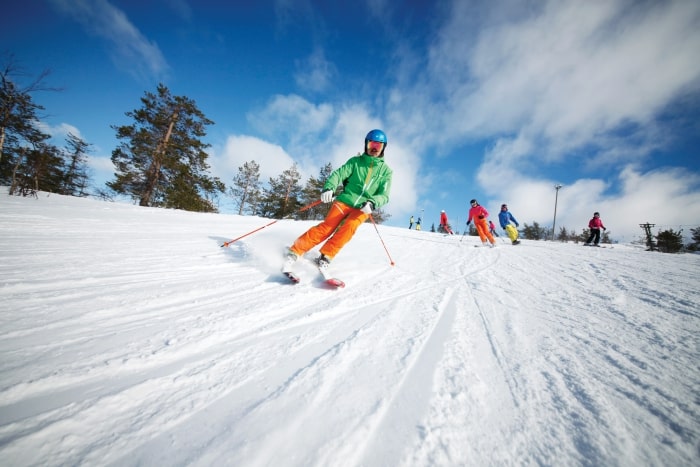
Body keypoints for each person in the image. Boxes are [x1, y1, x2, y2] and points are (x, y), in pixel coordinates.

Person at [283, 129, 393, 273]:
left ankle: (326, 256)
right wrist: (329, 187)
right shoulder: (355, 162)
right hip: (345, 200)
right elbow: (339, 174)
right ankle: (295, 251)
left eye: (378, 146)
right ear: (366, 144)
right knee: (327, 227)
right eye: (371, 144)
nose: (374, 148)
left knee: (349, 228)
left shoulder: (386, 171)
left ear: (383, 147)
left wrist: (372, 202)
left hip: (363, 207)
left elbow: (384, 195)